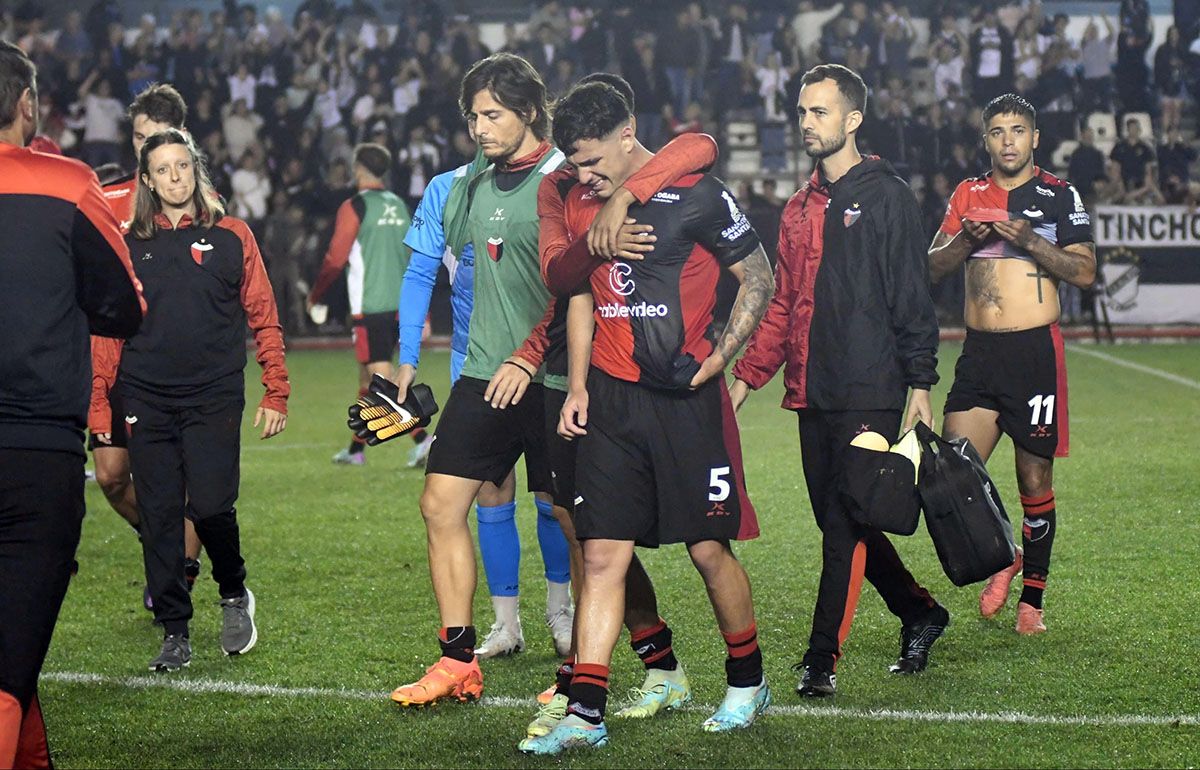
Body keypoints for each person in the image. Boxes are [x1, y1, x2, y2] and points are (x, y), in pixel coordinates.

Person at [520, 80, 775, 756]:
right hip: (613, 400)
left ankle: (747, 681)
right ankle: (585, 713)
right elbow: (575, 294)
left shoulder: (694, 191)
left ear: (628, 134)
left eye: (596, 160)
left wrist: (724, 357)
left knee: (707, 548)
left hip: (688, 401)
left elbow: (758, 274)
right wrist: (577, 385)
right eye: (576, 164)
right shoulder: (575, 200)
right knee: (602, 552)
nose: (587, 175)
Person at [729, 64, 947, 698]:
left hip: (870, 389)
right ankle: (919, 611)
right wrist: (747, 377)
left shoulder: (887, 197)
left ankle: (820, 659)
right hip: (811, 391)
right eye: (802, 112)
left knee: (844, 521)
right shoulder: (797, 207)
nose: (806, 123)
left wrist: (921, 385)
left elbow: (912, 297)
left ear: (852, 120)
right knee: (844, 518)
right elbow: (783, 303)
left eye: (819, 112)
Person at [388, 53, 572, 706]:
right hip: (483, 372)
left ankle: (584, 660)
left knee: (574, 519)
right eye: (472, 115)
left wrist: (530, 354)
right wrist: (404, 364)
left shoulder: (566, 179)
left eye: (492, 114)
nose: (479, 127)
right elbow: (435, 270)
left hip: (552, 376)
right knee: (440, 505)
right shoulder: (465, 186)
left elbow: (577, 284)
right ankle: (458, 657)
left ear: (527, 111)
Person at [0, 40, 144, 769]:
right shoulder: (65, 182)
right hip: (34, 449)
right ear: (26, 105)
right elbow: (124, 303)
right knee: (8, 661)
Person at [104, 128, 290, 670]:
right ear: (147, 180)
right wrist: (98, 408)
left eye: (182, 166)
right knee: (160, 515)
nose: (174, 177)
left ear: (196, 169)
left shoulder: (232, 235)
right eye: (162, 169)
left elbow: (264, 314)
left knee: (209, 507)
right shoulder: (128, 243)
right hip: (145, 394)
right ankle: (174, 631)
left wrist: (276, 390)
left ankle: (234, 591)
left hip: (213, 394)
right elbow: (107, 332)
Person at [928, 93, 1096, 635]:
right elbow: (931, 267)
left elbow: (1085, 271)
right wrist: (961, 243)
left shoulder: (1057, 194)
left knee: (1034, 475)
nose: (1008, 140)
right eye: (997, 131)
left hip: (1032, 354)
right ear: (986, 139)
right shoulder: (967, 194)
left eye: (1018, 130)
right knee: (952, 473)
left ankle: (1032, 602)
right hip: (979, 354)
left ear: (1035, 138)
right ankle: (1005, 555)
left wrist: (1030, 242)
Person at [89, 83, 206, 607]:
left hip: (178, 366)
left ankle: (176, 574)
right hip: (114, 361)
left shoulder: (202, 207)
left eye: (153, 138)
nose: (144, 148)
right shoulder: (106, 196)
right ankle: (160, 540)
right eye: (138, 137)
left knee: (186, 486)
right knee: (112, 477)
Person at [306, 143, 412, 467]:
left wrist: (316, 295)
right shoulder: (399, 205)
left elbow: (336, 259)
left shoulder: (355, 206)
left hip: (371, 304)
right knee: (366, 382)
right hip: (400, 304)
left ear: (358, 169)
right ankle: (355, 451)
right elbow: (411, 253)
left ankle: (424, 440)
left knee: (383, 379)